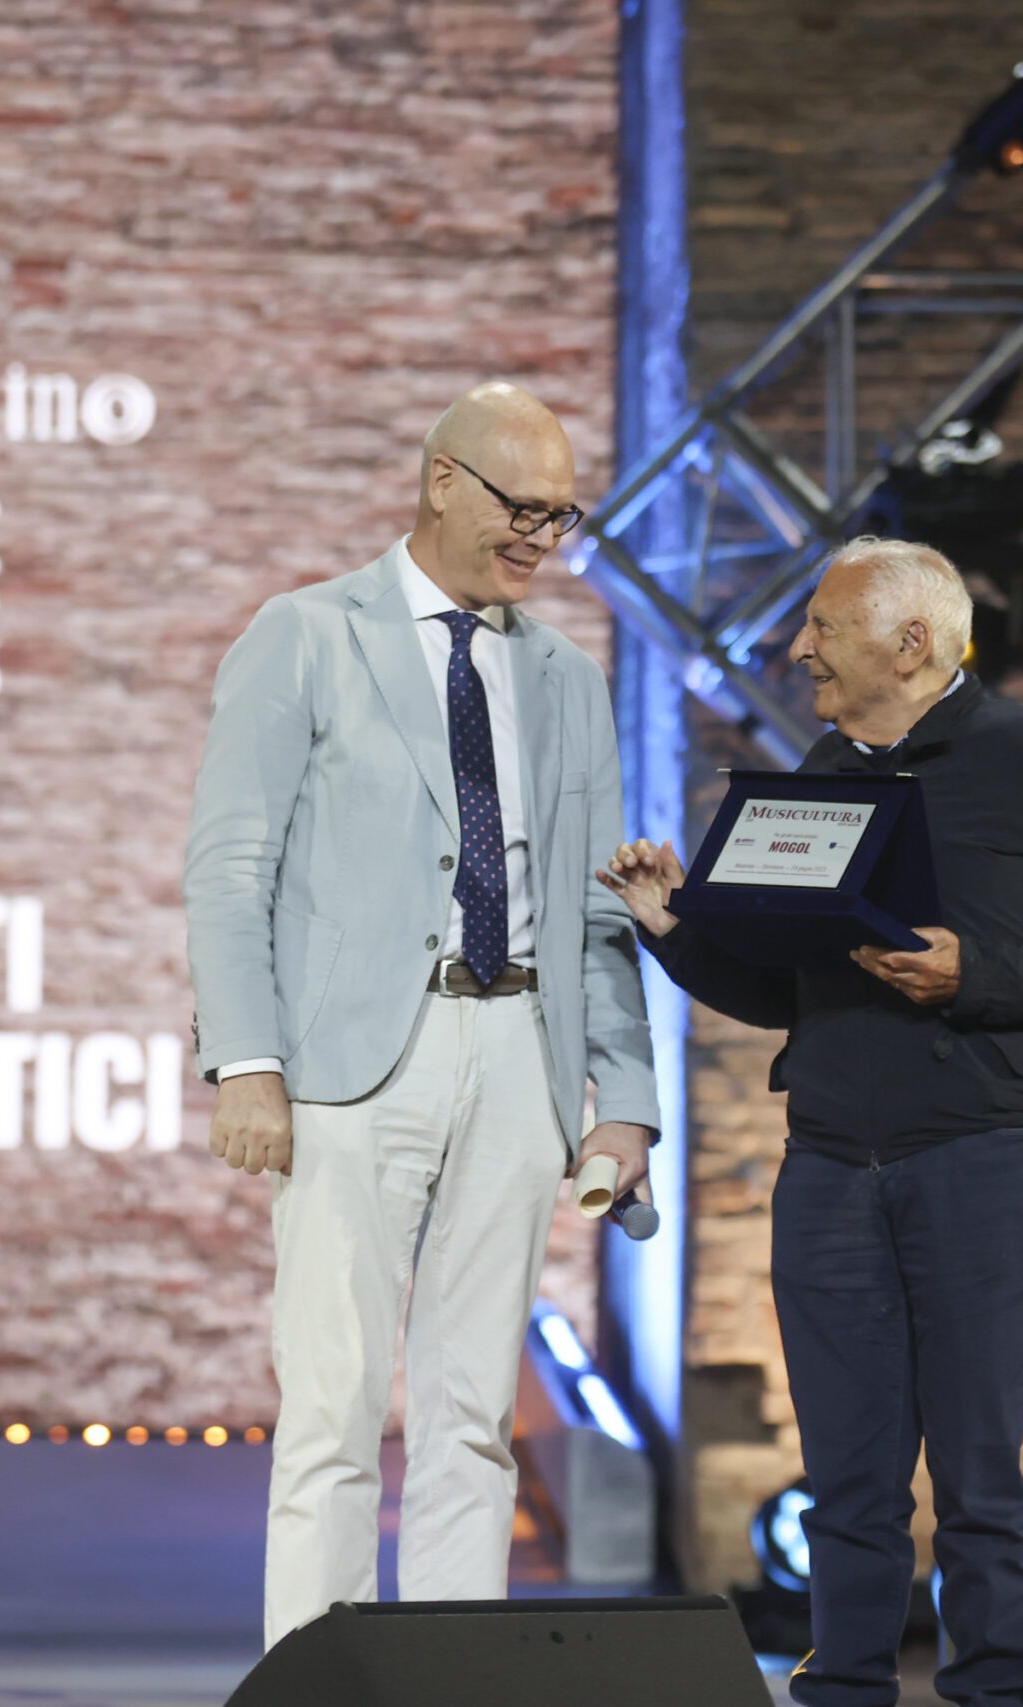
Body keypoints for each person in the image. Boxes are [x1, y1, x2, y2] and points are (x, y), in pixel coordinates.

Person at [604, 538, 1023, 1707]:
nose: (798, 645)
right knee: (846, 1486)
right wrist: (670, 930)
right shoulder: (816, 770)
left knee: (980, 1486)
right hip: (826, 1167)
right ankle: (843, 1689)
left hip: (980, 1158)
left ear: (911, 643)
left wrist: (975, 973)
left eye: (823, 626)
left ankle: (995, 1691)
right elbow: (787, 992)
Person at [184, 381, 659, 1649]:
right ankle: (317, 1686)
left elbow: (596, 907)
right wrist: (246, 1062)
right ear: (442, 479)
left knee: (473, 1421)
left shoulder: (566, 676)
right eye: (522, 508)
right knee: (331, 1415)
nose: (538, 540)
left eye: (559, 518)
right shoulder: (304, 634)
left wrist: (628, 1106)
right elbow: (231, 866)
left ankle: (453, 1686)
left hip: (520, 1058)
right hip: (351, 1071)